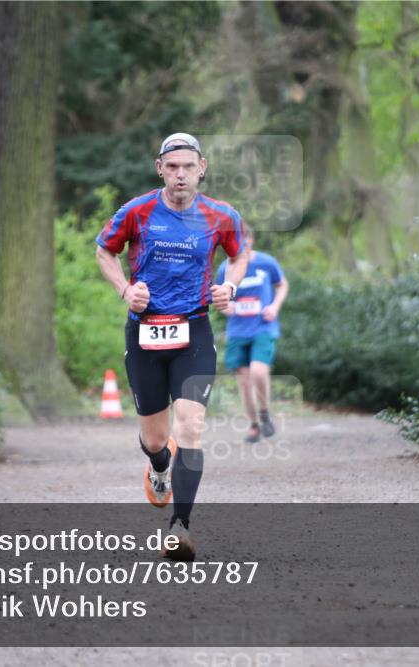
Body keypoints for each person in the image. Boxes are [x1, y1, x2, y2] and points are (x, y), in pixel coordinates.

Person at [95, 133, 250, 560]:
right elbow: (104, 251)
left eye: (188, 166)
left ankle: (180, 527)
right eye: (172, 166)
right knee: (156, 437)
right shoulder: (137, 211)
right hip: (145, 331)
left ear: (202, 168)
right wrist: (126, 291)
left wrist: (230, 286)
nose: (180, 174)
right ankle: (159, 468)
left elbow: (239, 254)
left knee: (192, 427)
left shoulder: (221, 215)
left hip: (194, 331)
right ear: (159, 168)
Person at [217, 229, 288, 443]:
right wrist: (225, 307)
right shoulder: (225, 268)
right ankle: (254, 425)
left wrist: (275, 307)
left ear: (251, 239)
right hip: (238, 331)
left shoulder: (266, 262)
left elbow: (282, 284)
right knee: (244, 382)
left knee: (258, 371)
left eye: (244, 239)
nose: (241, 243)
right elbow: (220, 296)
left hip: (263, 328)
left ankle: (265, 412)